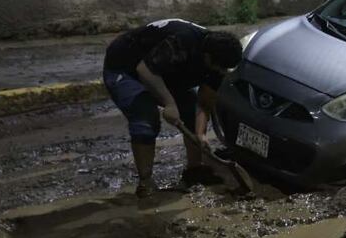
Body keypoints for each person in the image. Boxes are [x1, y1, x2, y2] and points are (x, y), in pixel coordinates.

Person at [102, 18, 243, 198]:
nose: (222, 72)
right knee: (145, 116)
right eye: (220, 67)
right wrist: (169, 103)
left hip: (164, 71)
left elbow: (204, 102)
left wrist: (200, 134)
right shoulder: (183, 41)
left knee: (190, 108)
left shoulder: (218, 61)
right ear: (207, 57)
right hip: (126, 67)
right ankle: (146, 182)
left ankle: (194, 171)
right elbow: (145, 70)